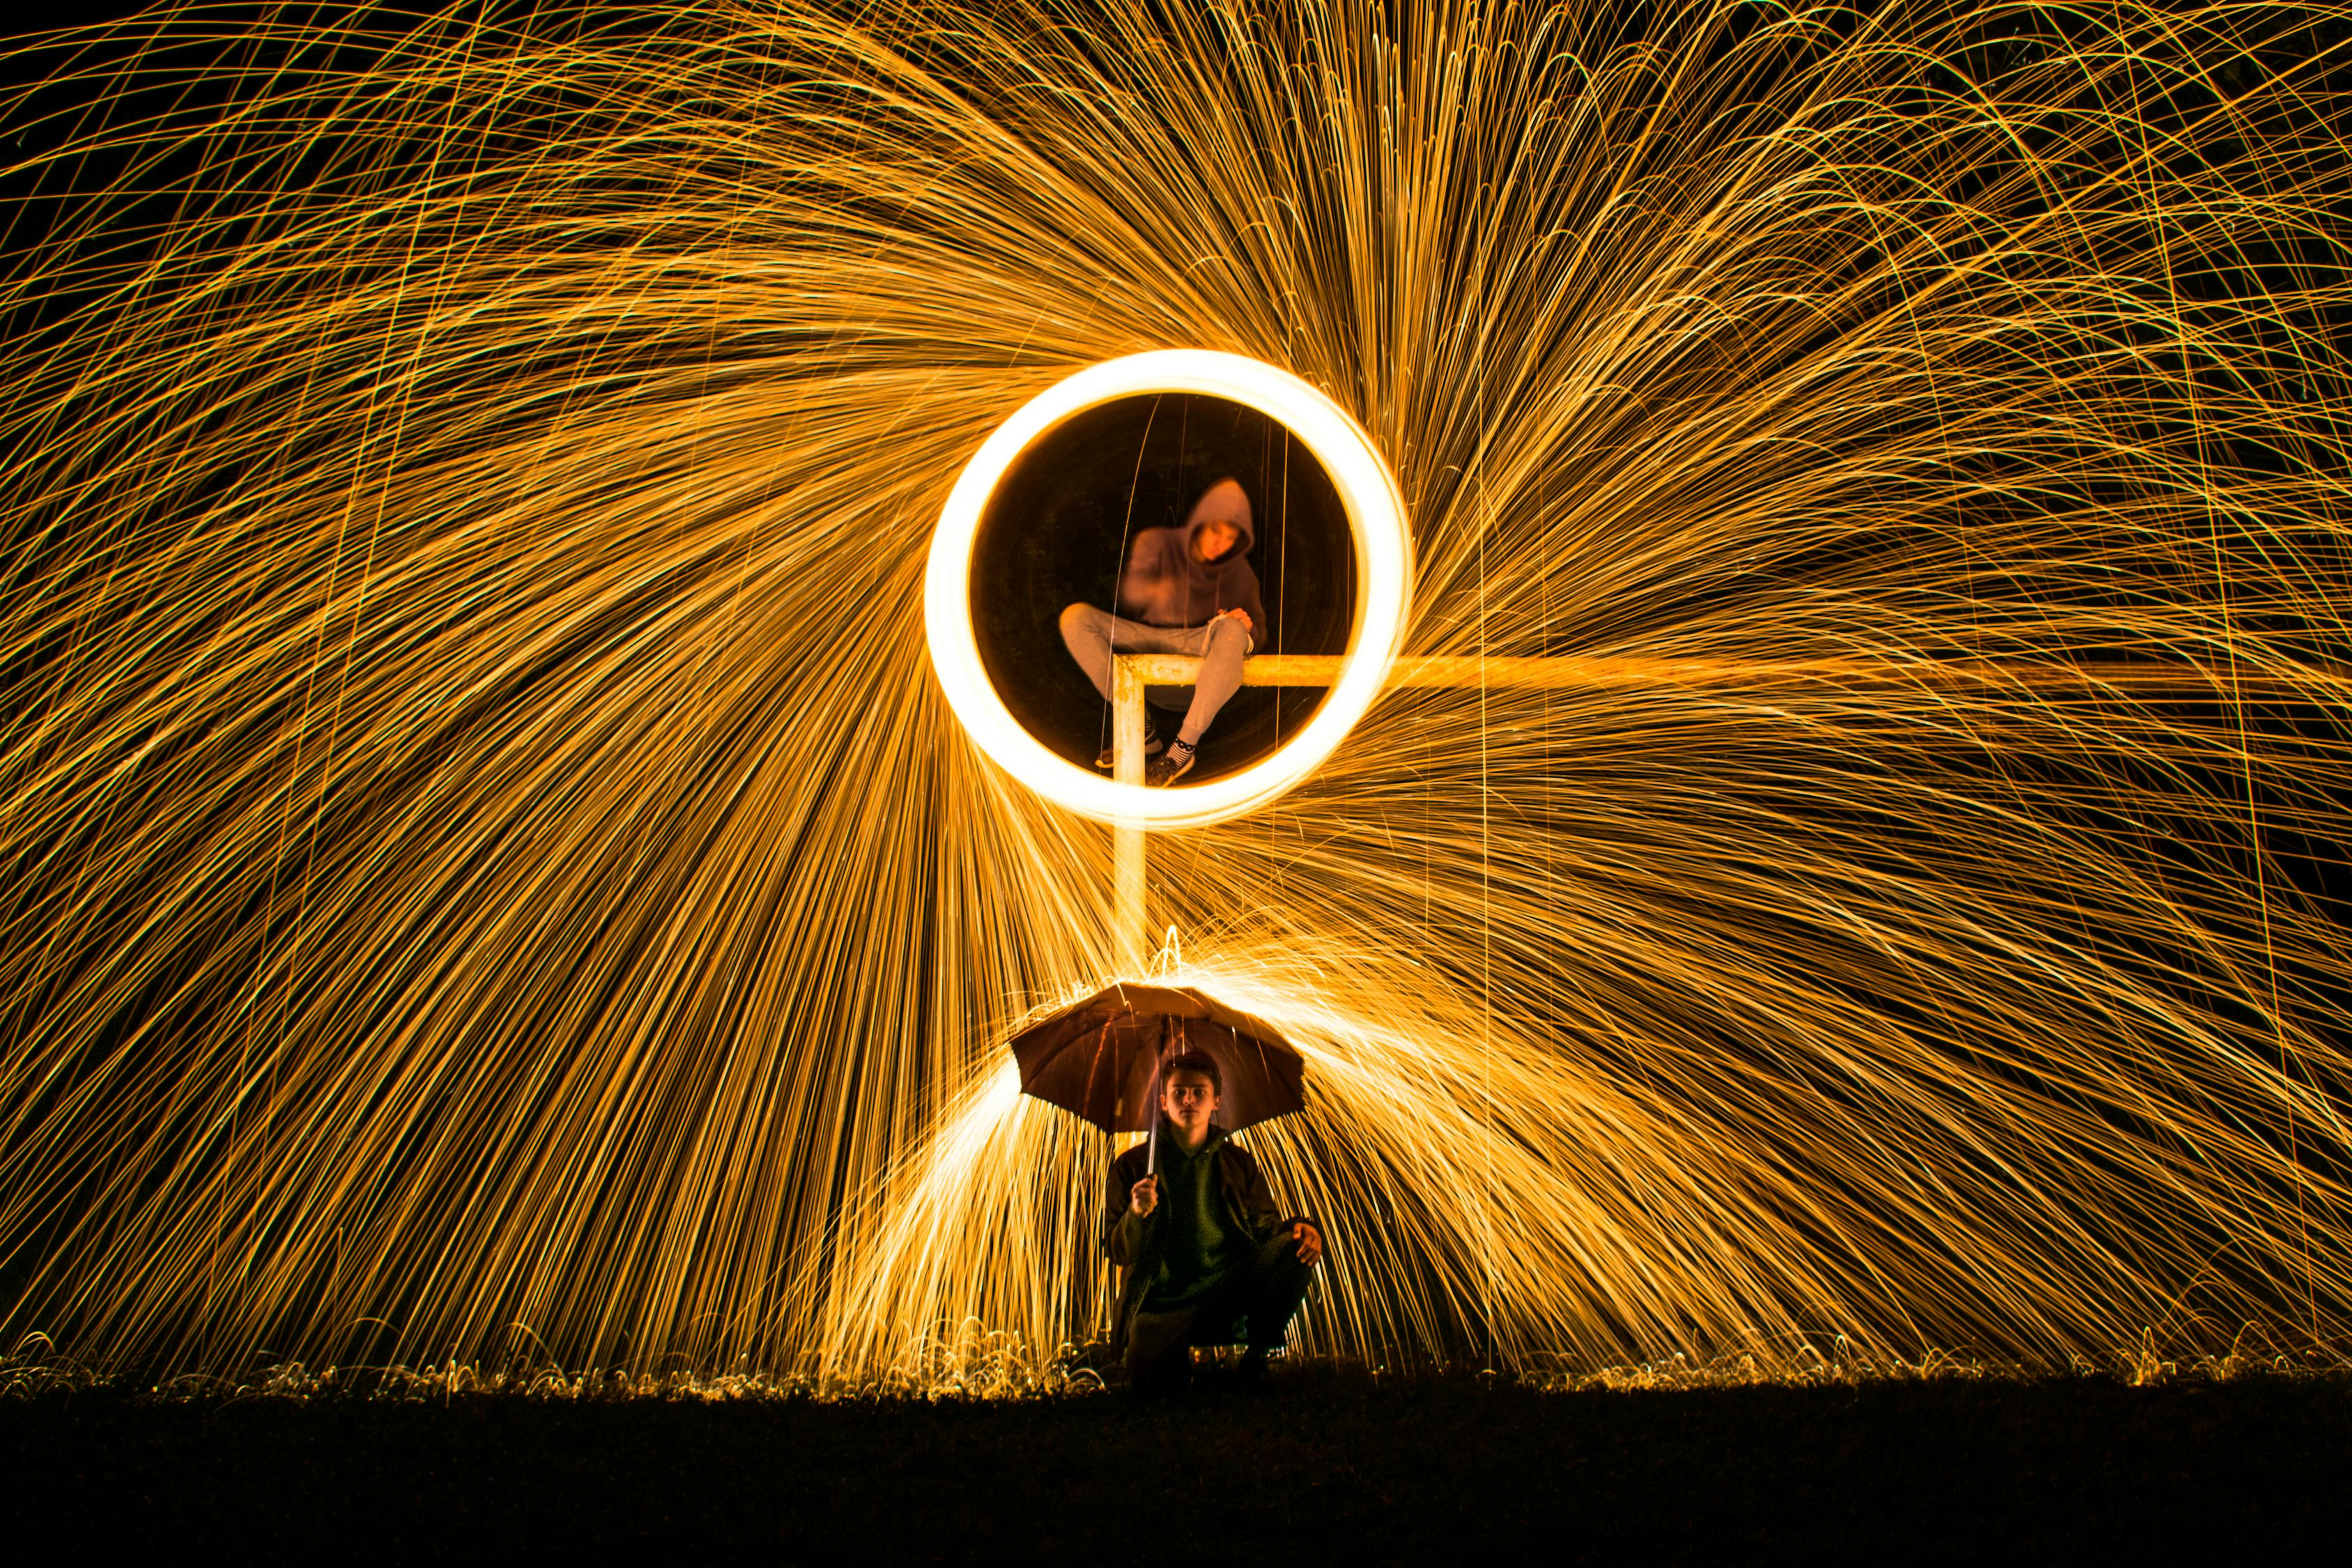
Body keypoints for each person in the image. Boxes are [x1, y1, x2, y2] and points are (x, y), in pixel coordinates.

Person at [1101, 1049, 1324, 1394]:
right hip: (1161, 1306)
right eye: (1179, 1093)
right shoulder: (1133, 1168)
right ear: (1162, 1101)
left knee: (1297, 1250)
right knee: (1155, 1390)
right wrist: (1136, 1214)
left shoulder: (1240, 1164)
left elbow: (1266, 1230)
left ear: (1216, 1101)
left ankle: (1259, 1355)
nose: (1188, 1100)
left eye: (1199, 1093)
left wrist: (1302, 1227)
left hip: (1228, 1291)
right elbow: (1118, 1251)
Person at [1059, 477, 1270, 786]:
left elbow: (1261, 635)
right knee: (1076, 617)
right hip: (1148, 643)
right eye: (1215, 530)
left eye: (1229, 538)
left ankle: (1179, 752)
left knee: (1233, 631)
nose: (1219, 543)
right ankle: (1142, 730)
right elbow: (1130, 593)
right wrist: (1157, 590)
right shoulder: (1156, 542)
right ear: (1200, 524)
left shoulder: (1242, 575)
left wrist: (1248, 627)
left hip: (1203, 663)